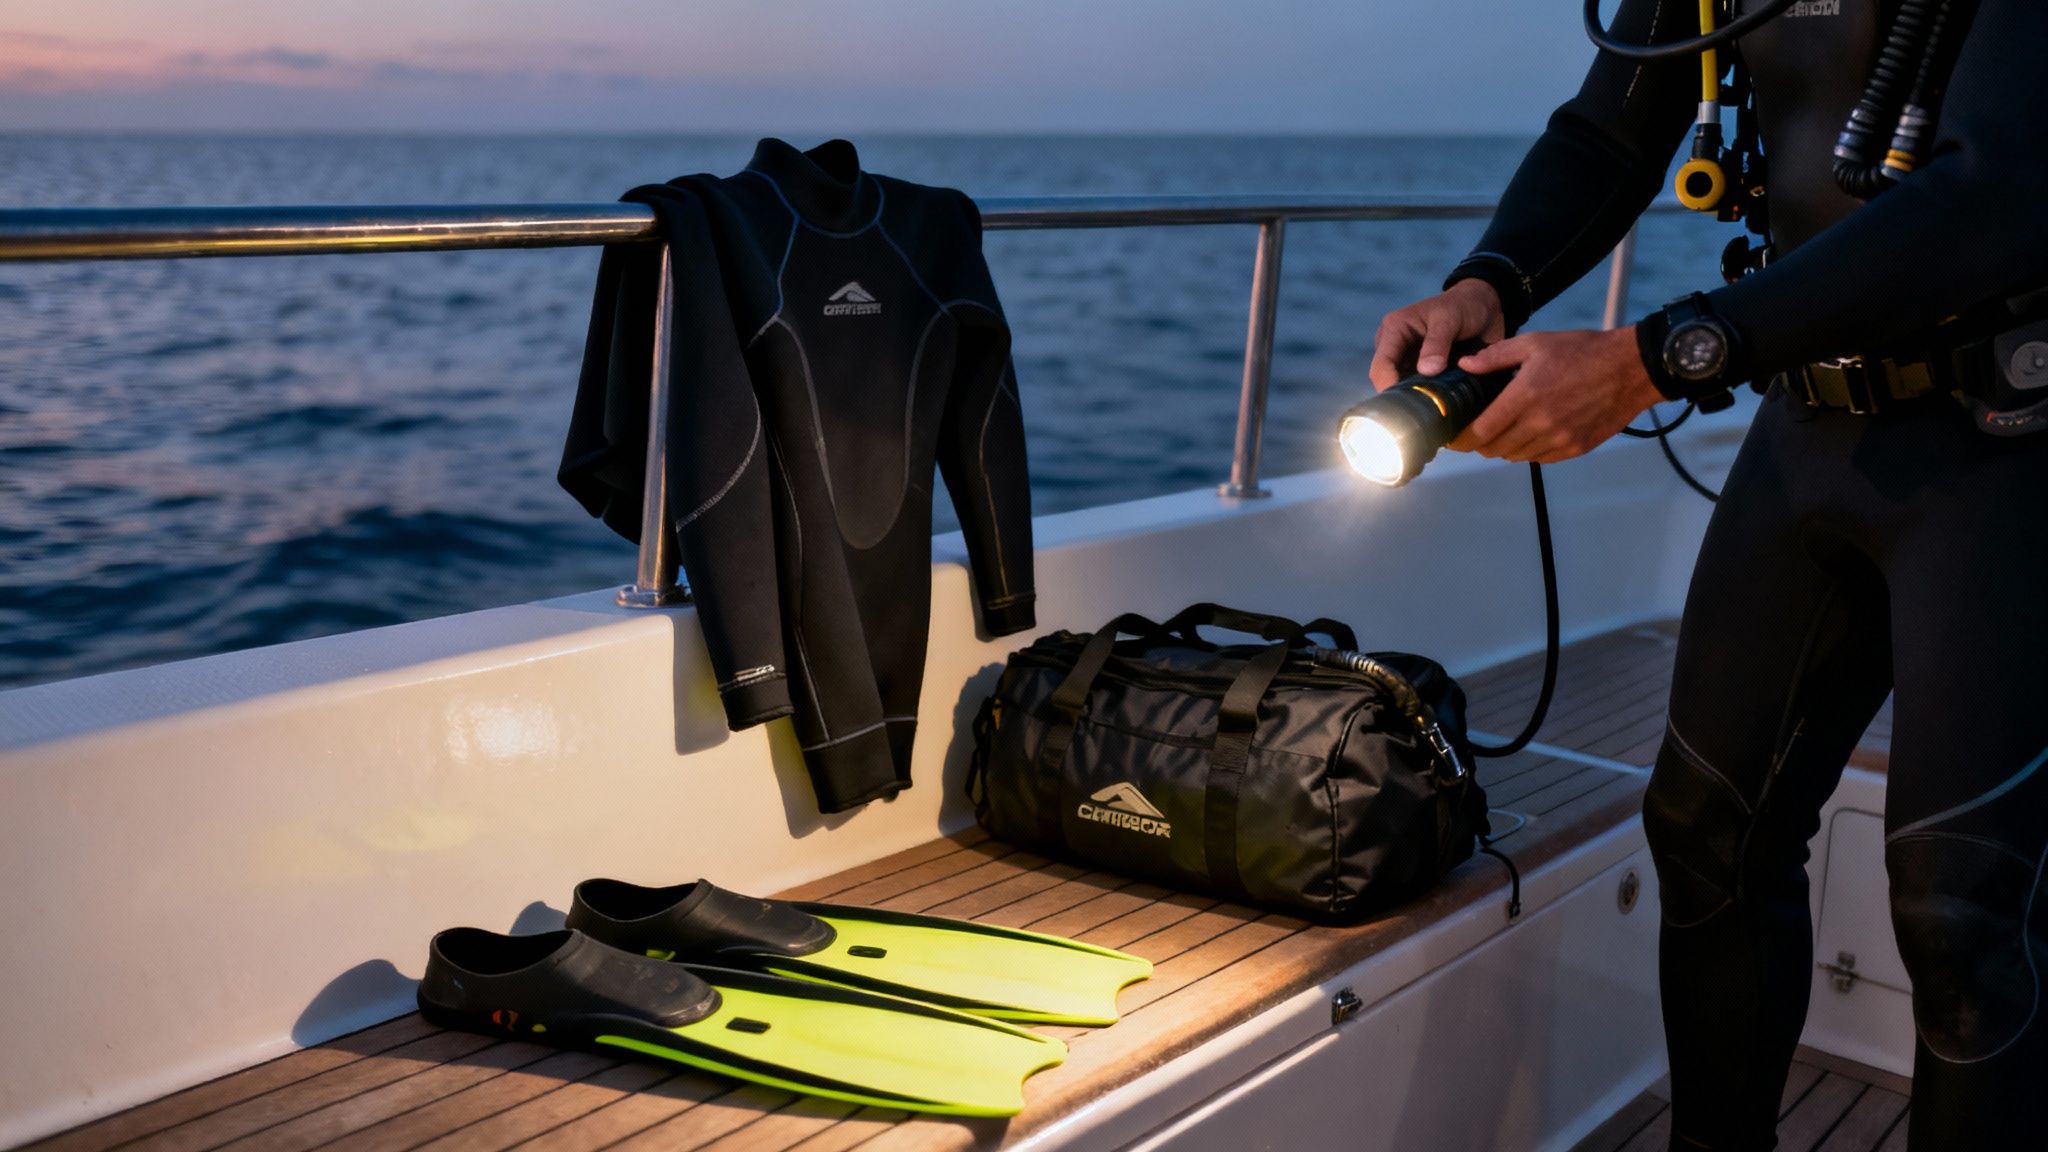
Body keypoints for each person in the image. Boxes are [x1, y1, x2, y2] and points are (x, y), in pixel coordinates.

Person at [1369, 1, 2048, 1148]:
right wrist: (1488, 281)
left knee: (1963, 909)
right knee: (1703, 834)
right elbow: (1608, 131)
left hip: (2006, 443)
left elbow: (1996, 184)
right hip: (1807, 423)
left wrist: (1653, 359)